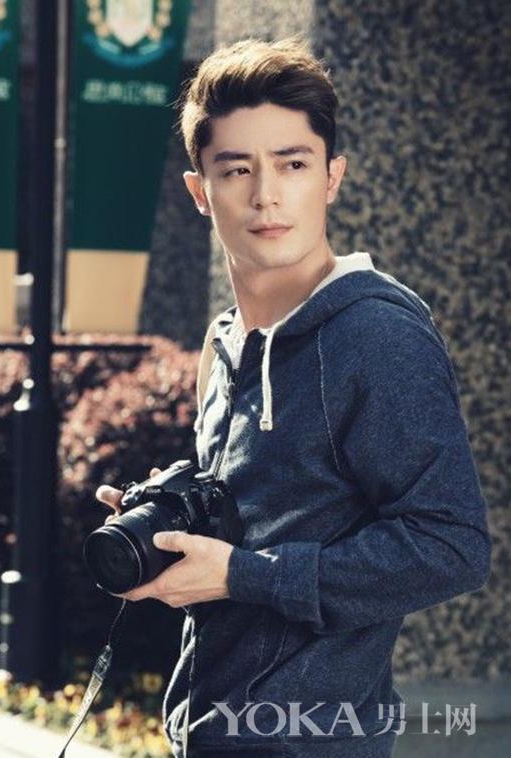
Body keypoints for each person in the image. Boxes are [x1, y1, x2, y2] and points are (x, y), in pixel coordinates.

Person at [96, 35, 492, 758]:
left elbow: (451, 546)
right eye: (236, 169)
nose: (266, 195)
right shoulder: (225, 342)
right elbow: (259, 523)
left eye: (293, 164)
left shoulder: (375, 336)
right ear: (199, 192)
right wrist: (168, 530)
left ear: (333, 176)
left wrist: (241, 575)